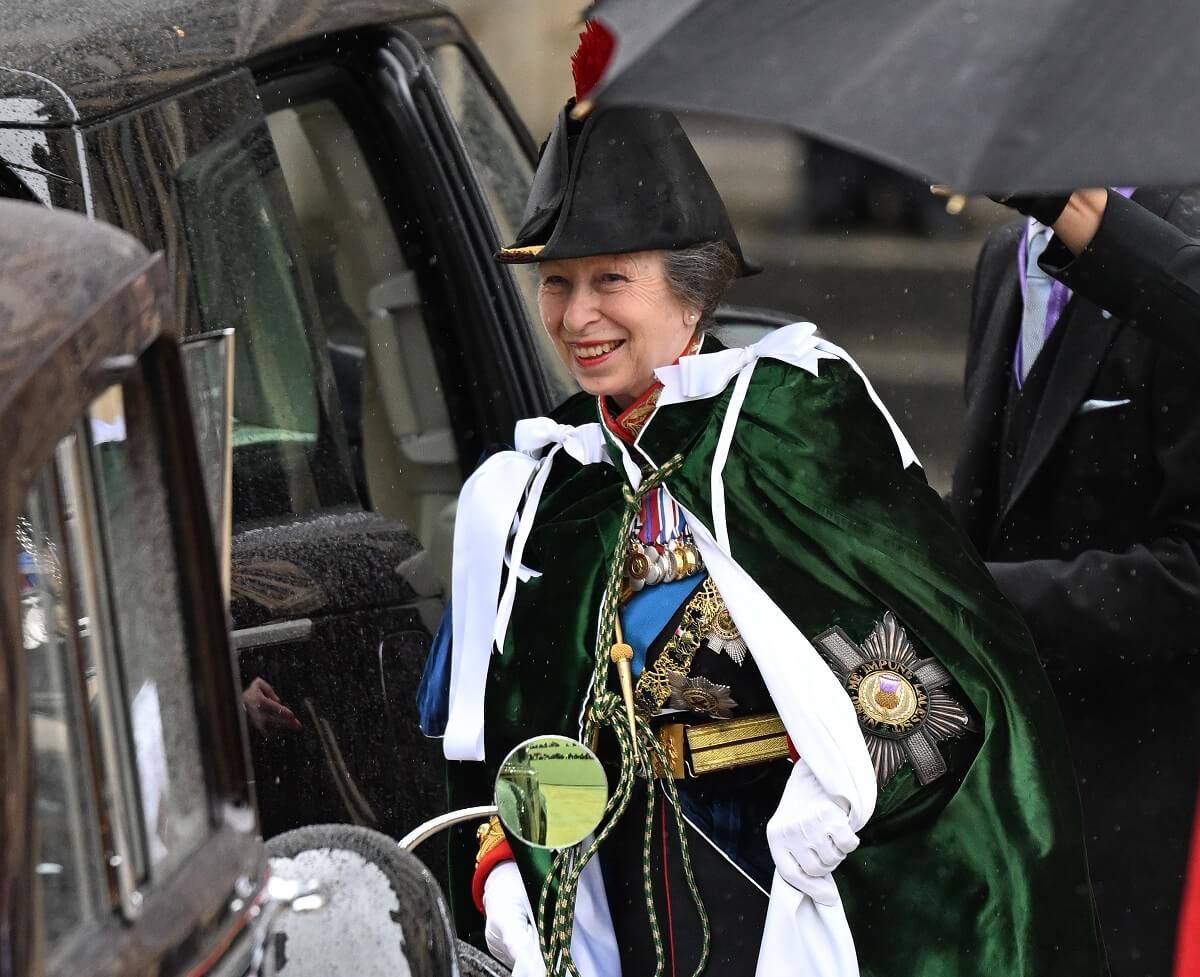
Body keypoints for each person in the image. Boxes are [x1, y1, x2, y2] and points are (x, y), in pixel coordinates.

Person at [423, 23, 1105, 977]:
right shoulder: (546, 491)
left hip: (790, 885)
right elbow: (504, 741)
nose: (578, 317)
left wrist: (839, 797)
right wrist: (504, 863)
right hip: (621, 899)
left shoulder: (792, 425)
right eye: (558, 282)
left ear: (693, 293)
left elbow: (940, 689)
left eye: (611, 279)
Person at [951, 186, 1200, 977]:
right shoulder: (1002, 256)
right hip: (1020, 785)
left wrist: (982, 600)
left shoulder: (1180, 253)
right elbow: (987, 504)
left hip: (1153, 795)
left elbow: (1190, 575)